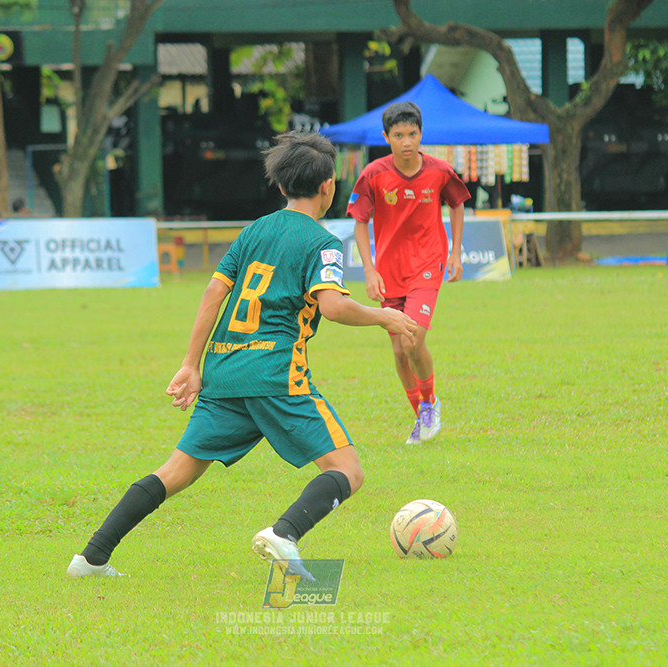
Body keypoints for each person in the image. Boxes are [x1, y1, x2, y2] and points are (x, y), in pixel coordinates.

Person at [67, 131, 418, 579]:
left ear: (281, 185)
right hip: (275, 374)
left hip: (225, 369)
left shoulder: (253, 231)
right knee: (347, 469)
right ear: (329, 185)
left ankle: (91, 557)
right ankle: (283, 533)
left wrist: (191, 365)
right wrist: (384, 316)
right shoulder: (323, 242)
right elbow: (332, 307)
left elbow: (214, 293)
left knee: (178, 471)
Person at [346, 101, 471, 445]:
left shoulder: (440, 171)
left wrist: (455, 253)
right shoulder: (373, 174)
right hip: (389, 273)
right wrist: (369, 271)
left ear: (421, 134)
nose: (406, 141)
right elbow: (359, 221)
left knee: (411, 339)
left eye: (412, 134)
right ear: (386, 137)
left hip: (427, 267)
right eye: (398, 135)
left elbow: (457, 203)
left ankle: (430, 403)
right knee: (399, 352)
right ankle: (420, 414)